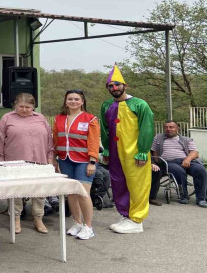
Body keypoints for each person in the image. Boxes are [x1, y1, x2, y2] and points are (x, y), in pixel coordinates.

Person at [100, 65, 154, 234]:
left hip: (135, 153)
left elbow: (147, 128)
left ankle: (137, 220)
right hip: (115, 154)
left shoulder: (140, 104)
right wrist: (107, 150)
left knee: (138, 184)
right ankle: (126, 215)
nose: (114, 88)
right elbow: (105, 129)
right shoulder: (106, 105)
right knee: (119, 184)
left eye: (117, 84)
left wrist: (143, 151)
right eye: (111, 86)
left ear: (125, 85)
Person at [0, 93, 54, 234]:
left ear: (33, 107)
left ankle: (38, 218)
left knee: (39, 191)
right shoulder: (7, 118)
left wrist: (50, 159)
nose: (25, 109)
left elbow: (49, 140)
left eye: (28, 107)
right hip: (14, 162)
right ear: (15, 105)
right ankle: (15, 218)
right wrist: (0, 161)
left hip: (39, 161)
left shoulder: (41, 118)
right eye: (21, 106)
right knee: (16, 191)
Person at [52, 89, 100, 240]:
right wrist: (54, 158)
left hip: (84, 161)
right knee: (71, 193)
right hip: (65, 160)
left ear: (82, 101)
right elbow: (55, 139)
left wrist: (92, 161)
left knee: (83, 193)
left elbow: (93, 141)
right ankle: (77, 222)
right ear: (65, 101)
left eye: (76, 99)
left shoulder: (90, 119)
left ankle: (88, 226)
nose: (73, 101)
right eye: (70, 99)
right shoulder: (58, 119)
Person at [150, 120, 207, 207]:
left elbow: (195, 152)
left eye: (171, 127)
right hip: (167, 162)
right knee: (179, 170)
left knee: (201, 170)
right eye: (166, 127)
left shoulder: (186, 139)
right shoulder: (158, 138)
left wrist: (188, 159)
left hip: (186, 161)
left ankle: (201, 198)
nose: (168, 129)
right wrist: (158, 163)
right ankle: (184, 196)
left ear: (177, 128)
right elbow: (154, 153)